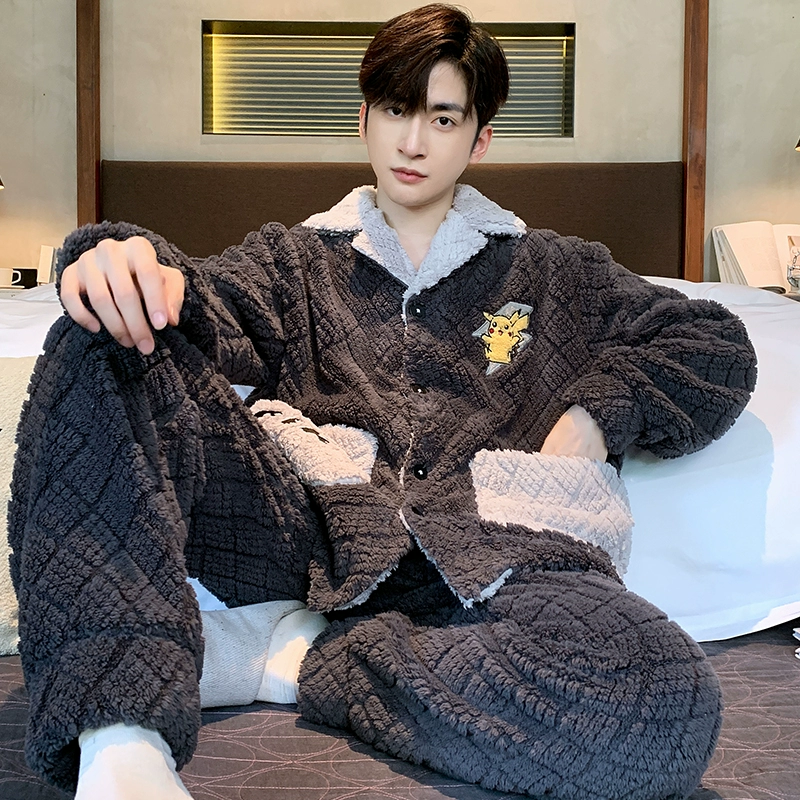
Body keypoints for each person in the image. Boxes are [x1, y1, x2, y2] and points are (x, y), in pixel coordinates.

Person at [9, 5, 757, 800]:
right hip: (309, 535)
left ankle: (301, 656)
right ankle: (120, 732)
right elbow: (195, 298)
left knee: (661, 706)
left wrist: (596, 415)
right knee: (102, 335)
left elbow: (713, 344)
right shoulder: (291, 261)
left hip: (497, 544)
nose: (413, 142)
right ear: (364, 118)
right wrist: (118, 259)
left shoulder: (557, 272)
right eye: (397, 110)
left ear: (479, 139)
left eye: (443, 118)